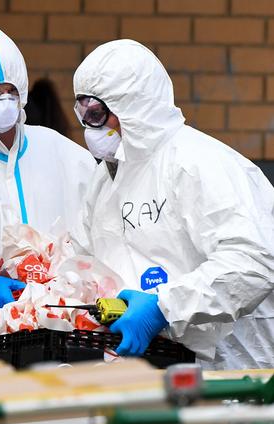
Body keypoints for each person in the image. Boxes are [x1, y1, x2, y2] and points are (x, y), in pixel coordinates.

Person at [73, 39, 274, 369]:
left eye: (97, 114)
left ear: (131, 105)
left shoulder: (200, 164)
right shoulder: (108, 178)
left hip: (225, 375)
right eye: (83, 114)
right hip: (143, 372)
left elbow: (252, 261)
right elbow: (84, 259)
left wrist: (164, 307)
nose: (91, 128)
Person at [0, 26, 96, 315]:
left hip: (56, 320)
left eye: (11, 91)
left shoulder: (62, 154)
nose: (5, 101)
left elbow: (99, 234)